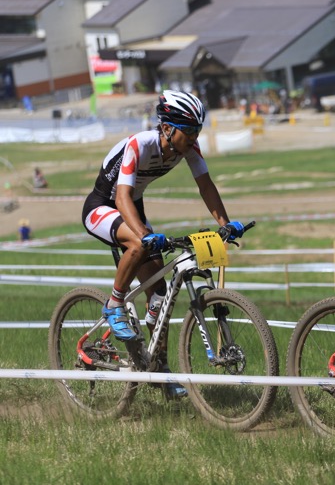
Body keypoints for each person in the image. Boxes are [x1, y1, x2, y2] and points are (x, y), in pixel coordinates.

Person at [81, 90, 246, 399]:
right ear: (168, 128)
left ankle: (156, 366)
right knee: (140, 244)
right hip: (104, 205)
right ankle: (114, 303)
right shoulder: (139, 144)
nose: (194, 137)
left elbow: (206, 186)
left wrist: (225, 225)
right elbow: (121, 197)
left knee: (161, 294)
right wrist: (144, 234)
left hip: (132, 207)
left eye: (198, 130)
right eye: (190, 130)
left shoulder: (188, 149)